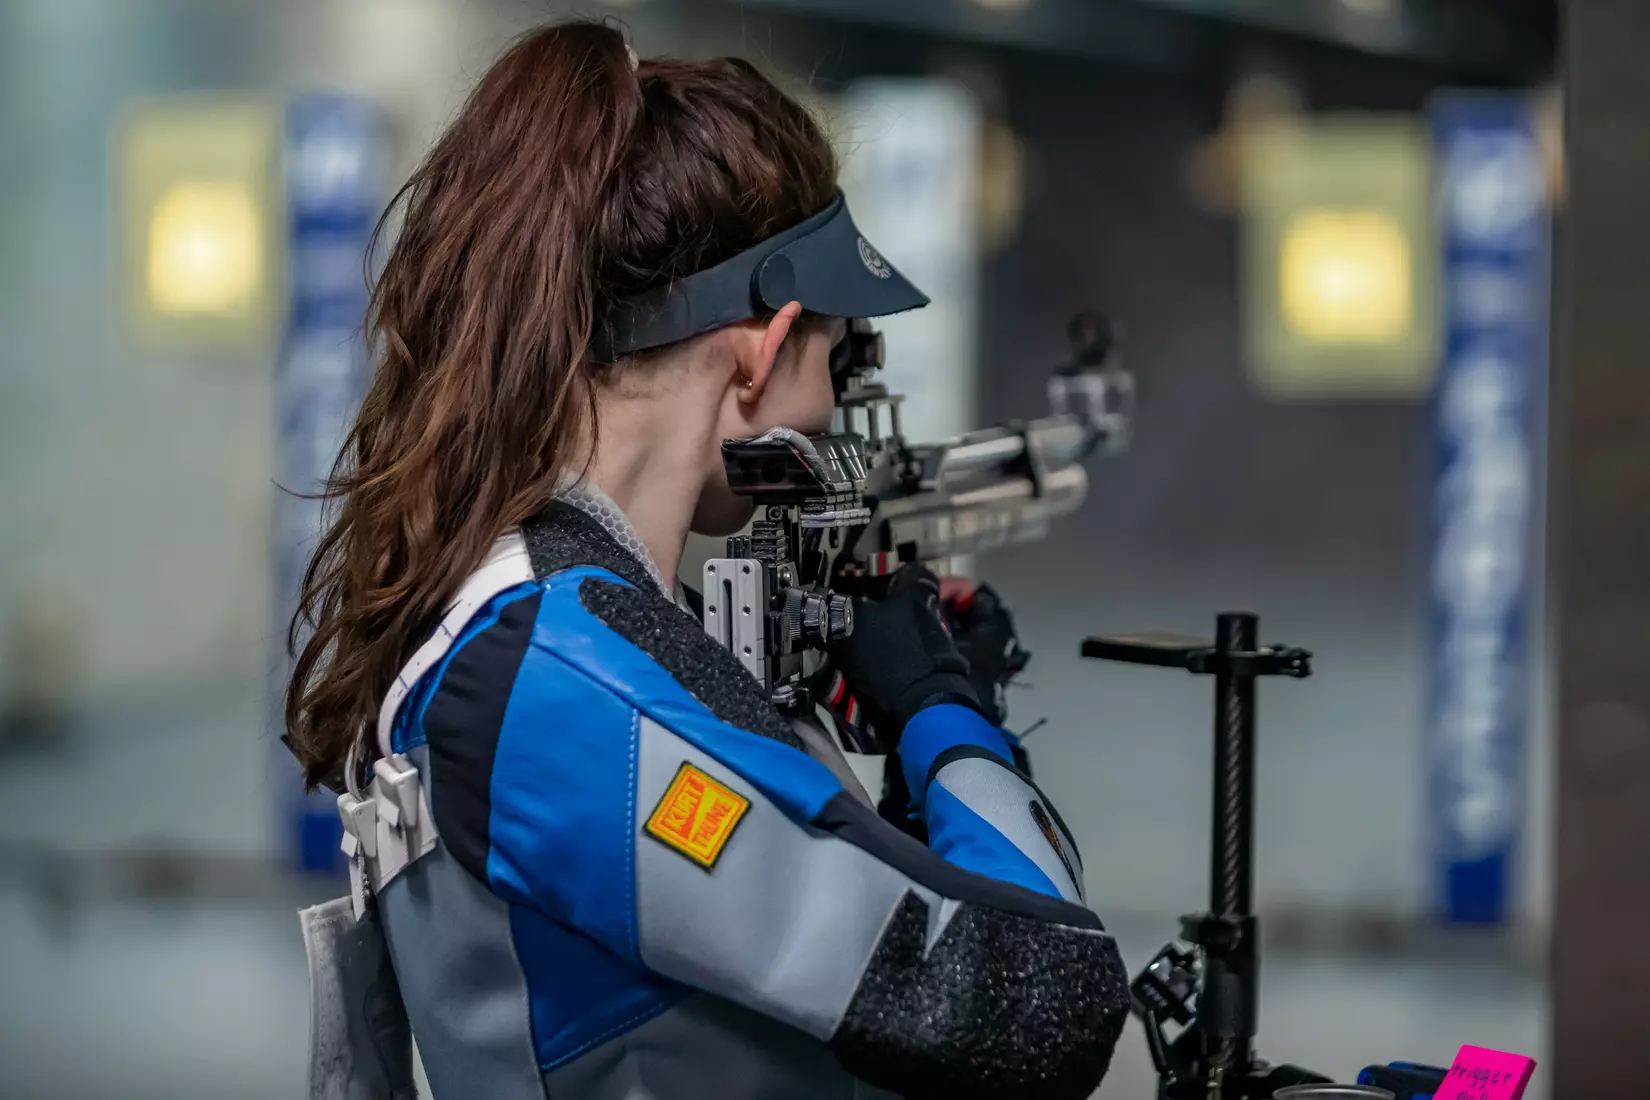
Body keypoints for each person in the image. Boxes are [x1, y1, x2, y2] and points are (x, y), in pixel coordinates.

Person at [285, 20, 1127, 1100]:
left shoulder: (536, 611)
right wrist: (942, 711)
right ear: (765, 348)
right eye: (838, 354)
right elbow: (1046, 998)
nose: (835, 412)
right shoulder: (561, 681)